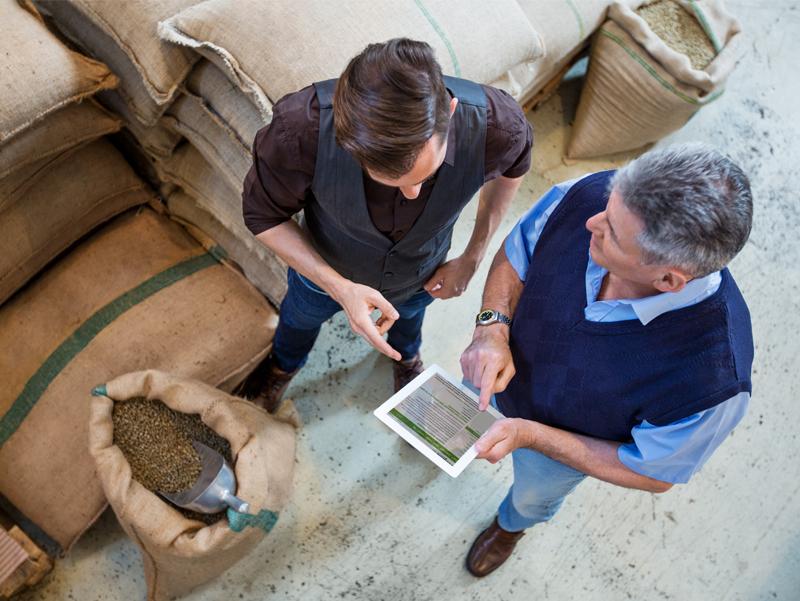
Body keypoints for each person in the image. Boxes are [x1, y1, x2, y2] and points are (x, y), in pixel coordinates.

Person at [459, 143, 754, 577]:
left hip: (557, 451)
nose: (590, 222)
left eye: (611, 233)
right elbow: (518, 249)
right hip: (493, 369)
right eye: (607, 206)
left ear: (668, 279)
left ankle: (510, 528)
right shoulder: (595, 196)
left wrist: (530, 436)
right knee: (459, 427)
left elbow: (654, 473)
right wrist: (491, 327)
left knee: (531, 497)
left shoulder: (712, 379)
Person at [238, 38, 533, 411]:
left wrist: (473, 256)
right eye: (391, 180)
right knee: (298, 320)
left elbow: (513, 170)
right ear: (345, 141)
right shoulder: (302, 129)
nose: (413, 194)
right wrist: (339, 288)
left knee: (410, 317)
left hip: (423, 271)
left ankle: (406, 359)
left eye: (425, 175)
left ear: (452, 112)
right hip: (323, 270)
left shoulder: (498, 124)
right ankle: (282, 367)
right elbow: (263, 216)